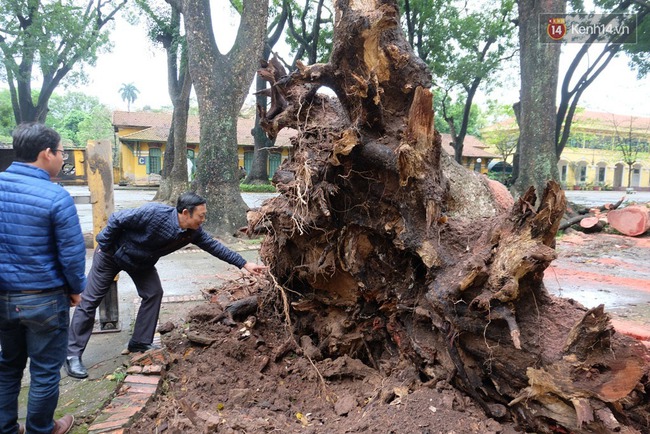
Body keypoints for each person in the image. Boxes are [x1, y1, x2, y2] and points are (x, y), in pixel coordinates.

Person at [66, 192, 267, 379]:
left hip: (140, 262)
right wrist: (105, 245)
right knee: (89, 301)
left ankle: (139, 342)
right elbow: (117, 219)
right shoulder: (154, 213)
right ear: (185, 213)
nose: (203, 220)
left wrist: (244, 263)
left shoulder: (192, 232)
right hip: (111, 256)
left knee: (153, 293)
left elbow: (215, 247)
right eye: (201, 215)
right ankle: (72, 355)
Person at [0, 123, 86, 434]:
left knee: (8, 366)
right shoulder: (54, 195)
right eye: (62, 152)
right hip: (44, 299)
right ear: (46, 153)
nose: (63, 159)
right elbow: (72, 253)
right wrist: (77, 288)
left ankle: (7, 428)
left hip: (3, 298)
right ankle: (41, 429)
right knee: (46, 370)